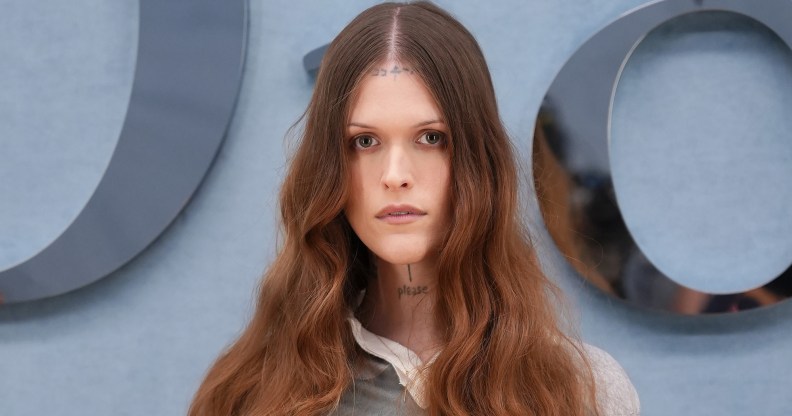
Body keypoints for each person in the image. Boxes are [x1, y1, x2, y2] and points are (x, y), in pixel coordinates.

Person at [189, 2, 640, 415]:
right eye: (364, 142)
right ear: (330, 167)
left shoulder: (580, 391)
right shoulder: (251, 393)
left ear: (477, 160)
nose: (395, 174)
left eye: (430, 138)